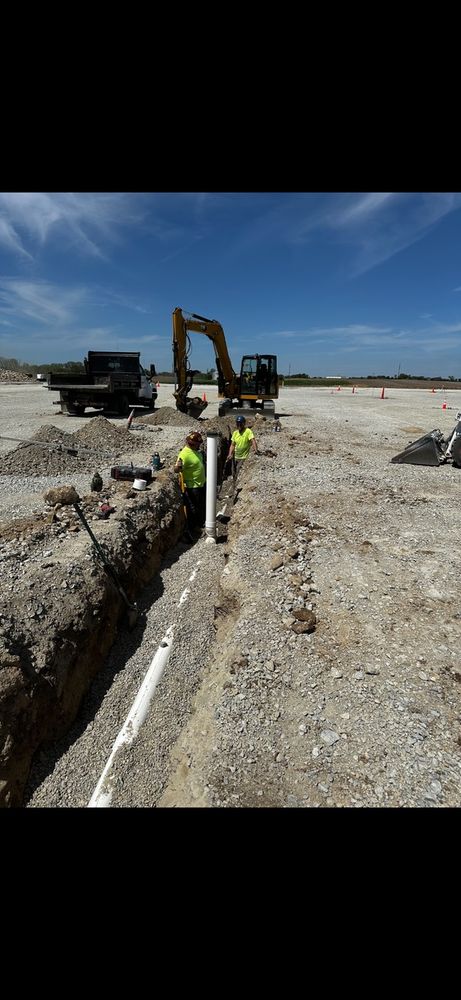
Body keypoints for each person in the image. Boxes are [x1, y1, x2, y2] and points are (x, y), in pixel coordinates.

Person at [174, 431, 206, 537]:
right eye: (197, 444)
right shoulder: (184, 454)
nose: (199, 446)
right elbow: (176, 469)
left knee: (200, 506)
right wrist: (178, 467)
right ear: (193, 443)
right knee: (193, 509)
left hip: (201, 484)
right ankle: (194, 529)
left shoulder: (196, 451)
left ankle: (201, 523)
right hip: (192, 487)